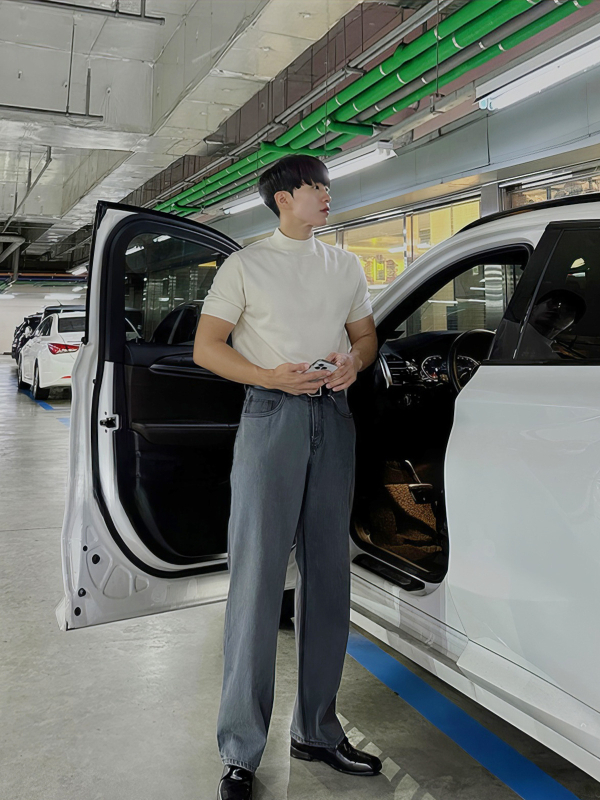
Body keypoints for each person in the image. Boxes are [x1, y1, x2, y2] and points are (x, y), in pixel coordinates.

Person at [193, 154, 381, 800]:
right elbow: (207, 347)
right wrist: (269, 375)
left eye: (327, 187)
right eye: (315, 188)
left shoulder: (344, 264)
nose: (327, 196)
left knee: (329, 577)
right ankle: (241, 751)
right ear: (283, 198)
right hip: (272, 415)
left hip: (333, 416)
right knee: (257, 580)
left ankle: (318, 731)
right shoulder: (246, 265)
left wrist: (355, 362)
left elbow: (365, 336)